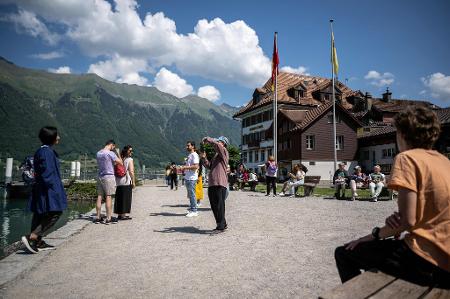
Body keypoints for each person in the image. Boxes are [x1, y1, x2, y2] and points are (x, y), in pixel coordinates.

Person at [334, 106, 450, 289]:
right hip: (447, 263)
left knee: (344, 253)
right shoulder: (444, 161)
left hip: (426, 260)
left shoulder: (407, 158)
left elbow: (408, 221)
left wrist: (374, 235)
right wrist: (400, 226)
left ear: (402, 134)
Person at [21, 127, 67, 253]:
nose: (59, 138)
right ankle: (33, 236)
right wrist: (55, 189)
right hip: (49, 189)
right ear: (51, 137)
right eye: (57, 135)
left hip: (42, 188)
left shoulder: (42, 151)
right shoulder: (46, 152)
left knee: (39, 213)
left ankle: (37, 242)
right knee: (56, 212)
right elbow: (48, 174)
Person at [200, 136, 229, 233]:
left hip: (220, 182)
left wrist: (209, 139)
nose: (217, 143)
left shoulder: (224, 151)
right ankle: (222, 224)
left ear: (223, 143)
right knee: (214, 205)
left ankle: (220, 226)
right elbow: (209, 166)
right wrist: (204, 159)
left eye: (219, 141)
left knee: (219, 205)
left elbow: (217, 145)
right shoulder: (216, 156)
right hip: (212, 183)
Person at [95, 140, 123, 225]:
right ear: (111, 145)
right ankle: (108, 218)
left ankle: (98, 217)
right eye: (113, 147)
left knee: (99, 196)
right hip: (108, 176)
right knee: (108, 196)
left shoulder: (98, 153)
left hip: (100, 176)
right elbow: (120, 163)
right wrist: (117, 153)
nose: (113, 148)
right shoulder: (111, 153)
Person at [114, 145, 135, 220]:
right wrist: (133, 182)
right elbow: (131, 172)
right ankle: (123, 215)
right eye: (130, 151)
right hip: (126, 181)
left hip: (119, 181)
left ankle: (120, 214)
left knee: (119, 198)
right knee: (126, 198)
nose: (131, 152)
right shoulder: (130, 160)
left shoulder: (121, 159)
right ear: (126, 151)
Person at [179, 141, 199, 217]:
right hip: (188, 177)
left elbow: (196, 166)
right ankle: (192, 209)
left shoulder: (195, 155)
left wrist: (185, 167)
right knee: (190, 195)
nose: (186, 147)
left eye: (188, 146)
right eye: (187, 146)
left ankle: (194, 210)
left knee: (192, 194)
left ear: (193, 146)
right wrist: (184, 167)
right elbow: (190, 166)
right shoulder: (190, 155)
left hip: (192, 178)